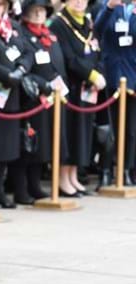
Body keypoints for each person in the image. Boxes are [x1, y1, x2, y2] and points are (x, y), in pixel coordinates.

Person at [0, 0, 38, 209]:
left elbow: (29, 52)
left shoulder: (13, 26)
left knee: (6, 146)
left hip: (12, 95)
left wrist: (21, 70)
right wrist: (6, 74)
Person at [10, 0, 64, 203]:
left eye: (42, 11)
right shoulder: (23, 35)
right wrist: (44, 85)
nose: (39, 14)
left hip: (50, 98)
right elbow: (27, 65)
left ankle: (35, 184)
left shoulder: (48, 36)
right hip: (31, 97)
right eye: (34, 11)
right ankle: (21, 188)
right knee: (27, 145)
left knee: (41, 145)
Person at [51, 0, 104, 196]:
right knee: (70, 133)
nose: (80, 2)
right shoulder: (59, 23)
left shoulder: (88, 23)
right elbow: (68, 57)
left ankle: (73, 175)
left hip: (87, 89)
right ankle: (63, 178)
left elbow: (97, 51)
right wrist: (90, 74)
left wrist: (98, 72)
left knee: (82, 133)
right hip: (70, 87)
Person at [95, 0, 136, 187]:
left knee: (131, 130)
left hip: (133, 76)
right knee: (110, 128)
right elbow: (98, 29)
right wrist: (110, 7)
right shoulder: (109, 6)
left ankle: (125, 169)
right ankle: (105, 170)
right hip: (112, 75)